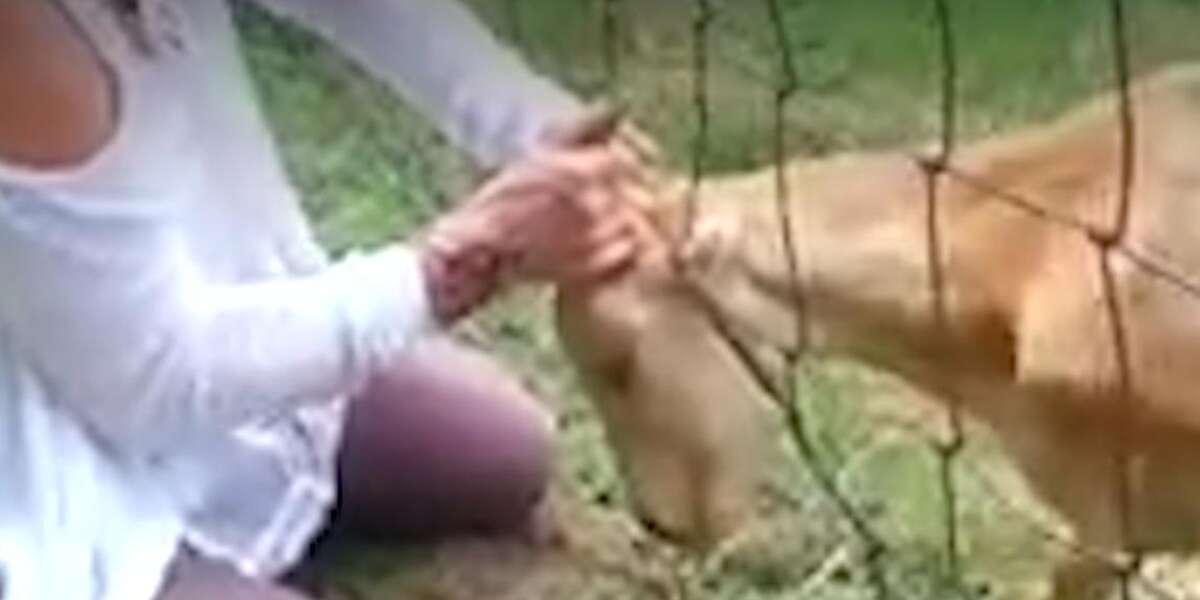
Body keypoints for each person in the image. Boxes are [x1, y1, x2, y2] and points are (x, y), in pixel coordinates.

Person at [0, 1, 650, 598]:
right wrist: (439, 273)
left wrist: (535, 127)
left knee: (506, 453)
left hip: (158, 310)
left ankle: (244, 487)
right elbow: (153, 384)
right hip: (58, 447)